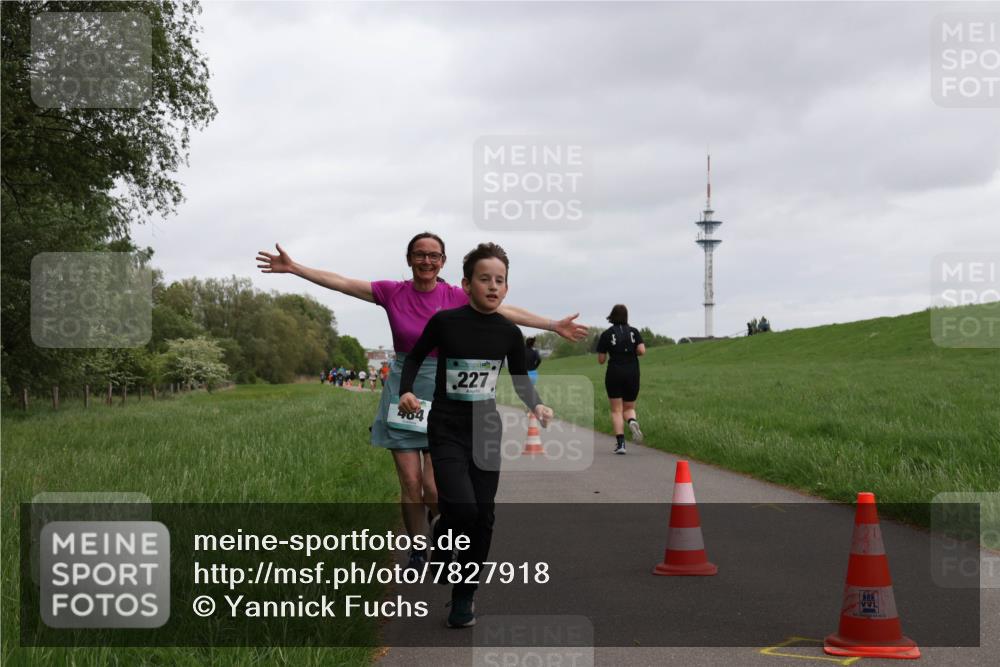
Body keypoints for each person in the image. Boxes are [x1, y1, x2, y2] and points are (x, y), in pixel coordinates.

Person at [257, 234, 586, 570]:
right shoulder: (391, 292)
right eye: (419, 255)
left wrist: (551, 325)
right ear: (409, 259)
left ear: (443, 261)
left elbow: (502, 309)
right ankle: (416, 550)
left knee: (433, 485)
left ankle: (442, 529)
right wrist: (295, 268)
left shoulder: (456, 295)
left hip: (443, 392)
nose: (426, 261)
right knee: (410, 481)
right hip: (405, 388)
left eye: (433, 256)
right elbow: (342, 282)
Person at [399, 242, 553, 628]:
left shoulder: (508, 333)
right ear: (466, 284)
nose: (493, 286)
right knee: (462, 508)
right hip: (447, 428)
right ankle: (443, 532)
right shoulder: (445, 322)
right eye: (485, 279)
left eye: (500, 280)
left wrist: (537, 405)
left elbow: (519, 381)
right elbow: (415, 356)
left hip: (485, 430)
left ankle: (464, 597)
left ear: (507, 287)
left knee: (483, 516)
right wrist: (406, 390)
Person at [596, 304, 646, 455]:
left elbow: (601, 360)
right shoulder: (634, 332)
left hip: (615, 373)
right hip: (632, 372)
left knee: (616, 410)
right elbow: (642, 351)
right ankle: (632, 421)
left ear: (612, 316)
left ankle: (621, 444)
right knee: (629, 408)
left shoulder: (606, 334)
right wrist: (631, 351)